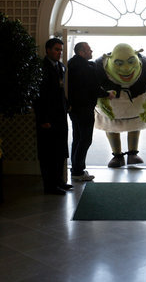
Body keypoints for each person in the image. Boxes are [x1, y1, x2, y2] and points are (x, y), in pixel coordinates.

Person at [68, 42, 114, 181]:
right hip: (84, 108)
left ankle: (76, 169)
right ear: (81, 52)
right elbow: (93, 87)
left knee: (77, 139)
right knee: (85, 140)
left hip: (74, 108)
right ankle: (78, 171)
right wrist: (107, 94)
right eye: (88, 49)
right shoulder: (86, 67)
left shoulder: (70, 64)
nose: (91, 50)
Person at [34, 38, 72, 195]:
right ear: (48, 50)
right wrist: (43, 119)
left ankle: (59, 181)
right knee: (48, 154)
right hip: (47, 118)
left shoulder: (61, 67)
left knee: (59, 151)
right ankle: (49, 186)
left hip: (60, 116)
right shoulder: (40, 68)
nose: (59, 52)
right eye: (56, 49)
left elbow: (60, 91)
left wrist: (67, 104)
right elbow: (38, 96)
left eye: (61, 50)